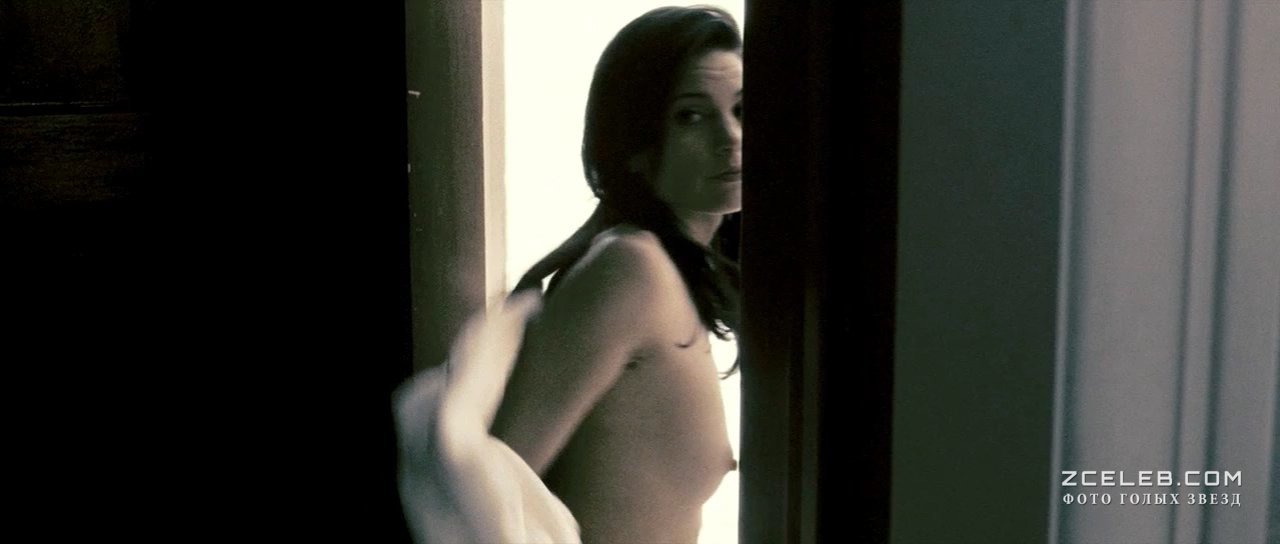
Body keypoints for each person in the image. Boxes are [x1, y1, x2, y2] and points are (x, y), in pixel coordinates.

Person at [490, 5, 744, 543]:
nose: (731, 137)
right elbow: (491, 498)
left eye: (742, 109)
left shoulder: (673, 274)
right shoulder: (631, 269)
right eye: (691, 116)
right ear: (635, 146)